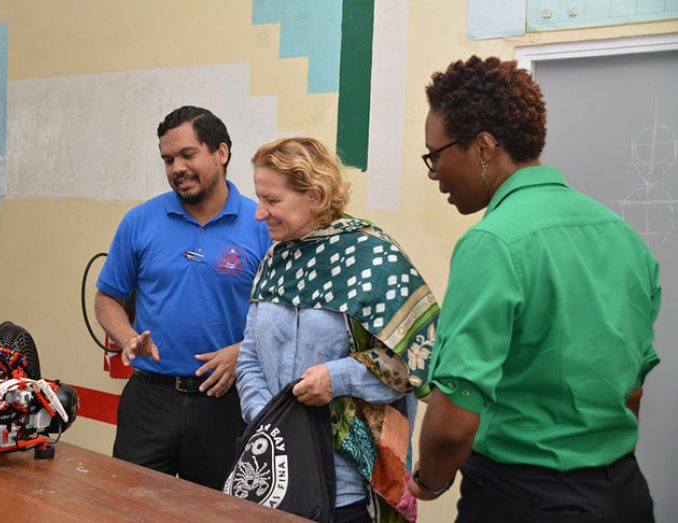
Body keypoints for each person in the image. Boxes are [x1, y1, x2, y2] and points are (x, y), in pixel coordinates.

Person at [406, 56, 661, 522]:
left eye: (435, 155)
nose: (433, 173)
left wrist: (430, 480)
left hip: (524, 499)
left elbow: (454, 420)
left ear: (483, 147)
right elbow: (632, 393)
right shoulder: (622, 237)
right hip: (624, 494)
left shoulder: (493, 242)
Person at [236, 137, 439, 522]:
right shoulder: (273, 261)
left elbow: (416, 363)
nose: (259, 213)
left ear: (314, 195)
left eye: (272, 201)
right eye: (258, 198)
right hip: (271, 473)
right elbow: (248, 356)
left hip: (346, 487)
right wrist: (273, 421)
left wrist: (338, 377)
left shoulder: (373, 258)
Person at [95, 106, 272, 489]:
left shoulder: (261, 224)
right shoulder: (140, 221)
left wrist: (244, 351)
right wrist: (128, 338)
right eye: (168, 159)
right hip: (149, 399)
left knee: (218, 514)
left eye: (188, 155)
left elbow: (283, 318)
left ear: (221, 153)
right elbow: (107, 298)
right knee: (130, 509)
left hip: (225, 403)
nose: (177, 167)